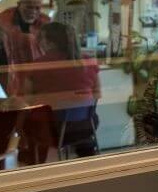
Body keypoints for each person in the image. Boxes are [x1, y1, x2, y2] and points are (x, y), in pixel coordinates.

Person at [25, 21, 101, 157]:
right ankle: (86, 155)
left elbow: (26, 100)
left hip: (54, 130)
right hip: (87, 126)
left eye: (40, 39)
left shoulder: (37, 66)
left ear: (48, 42)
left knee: (26, 122)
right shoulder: (88, 61)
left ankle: (34, 166)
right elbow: (97, 94)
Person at [0, 0, 50, 95]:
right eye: (29, 7)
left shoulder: (45, 22)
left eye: (37, 8)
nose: (33, 11)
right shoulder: (0, 21)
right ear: (19, 5)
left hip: (36, 69)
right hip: (7, 70)